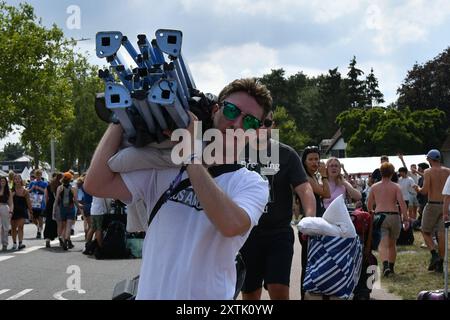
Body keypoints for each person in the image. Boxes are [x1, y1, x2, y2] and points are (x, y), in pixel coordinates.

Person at [84, 78, 270, 299]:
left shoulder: (251, 183)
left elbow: (231, 225)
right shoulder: (164, 165)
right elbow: (96, 183)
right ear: (215, 110)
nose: (237, 124)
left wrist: (190, 154)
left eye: (249, 122)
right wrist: (121, 115)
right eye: (231, 111)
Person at [239, 114, 316, 300]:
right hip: (247, 233)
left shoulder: (286, 154)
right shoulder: (237, 151)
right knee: (250, 293)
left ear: (272, 125)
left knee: (278, 289)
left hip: (278, 232)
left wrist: (310, 217)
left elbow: (304, 188)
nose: (262, 127)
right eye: (257, 122)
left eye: (267, 122)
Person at [298, 146, 330, 299]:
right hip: (308, 226)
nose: (314, 162)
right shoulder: (306, 178)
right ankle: (304, 295)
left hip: (314, 224)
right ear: (304, 161)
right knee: (307, 263)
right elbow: (326, 193)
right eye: (310, 159)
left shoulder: (312, 176)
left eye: (317, 159)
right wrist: (324, 176)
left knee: (313, 262)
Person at [367, 162, 408, 277]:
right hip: (394, 215)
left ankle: (385, 265)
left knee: (383, 243)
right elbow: (402, 203)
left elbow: (369, 204)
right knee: (392, 244)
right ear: (392, 173)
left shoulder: (374, 187)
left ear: (380, 173)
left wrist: (371, 214)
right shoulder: (396, 186)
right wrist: (406, 218)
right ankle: (391, 267)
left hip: (380, 216)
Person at [413, 149, 450, 273]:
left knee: (424, 230)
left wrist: (416, 188)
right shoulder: (448, 171)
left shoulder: (428, 171)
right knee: (441, 234)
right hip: (445, 205)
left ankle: (434, 255)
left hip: (432, 204)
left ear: (430, 159)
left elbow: (424, 191)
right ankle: (441, 262)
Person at [55, 172, 81, 251]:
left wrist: (54, 210)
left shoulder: (59, 188)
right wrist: (79, 207)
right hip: (71, 207)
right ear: (70, 179)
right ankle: (66, 240)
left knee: (64, 225)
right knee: (69, 225)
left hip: (62, 208)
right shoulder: (73, 188)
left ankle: (63, 240)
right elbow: (76, 201)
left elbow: (56, 200)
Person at [11, 174, 32, 250]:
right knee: (13, 228)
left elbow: (28, 202)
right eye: (15, 179)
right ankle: (14, 243)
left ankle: (20, 243)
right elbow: (9, 202)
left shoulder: (25, 191)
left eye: (18, 179)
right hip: (13, 211)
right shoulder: (11, 191)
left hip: (22, 210)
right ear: (13, 181)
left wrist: (31, 211)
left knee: (20, 227)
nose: (17, 180)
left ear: (21, 180)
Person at [43, 173, 62, 248]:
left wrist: (46, 206)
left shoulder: (49, 186)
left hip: (50, 205)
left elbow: (46, 197)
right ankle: (60, 238)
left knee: (49, 222)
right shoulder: (60, 186)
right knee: (59, 223)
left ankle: (47, 239)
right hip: (58, 205)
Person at [28, 169, 48, 239]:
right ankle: (38, 227)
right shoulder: (32, 183)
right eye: (37, 175)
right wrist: (32, 188)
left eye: (39, 175)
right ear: (35, 175)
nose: (38, 176)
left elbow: (46, 192)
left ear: (41, 175)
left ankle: (39, 231)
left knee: (40, 217)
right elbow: (28, 191)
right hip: (33, 202)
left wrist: (39, 188)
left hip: (41, 202)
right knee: (33, 218)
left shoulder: (44, 183)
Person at [0, 177, 13, 251]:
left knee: (5, 228)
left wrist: (11, 211)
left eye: (4, 181)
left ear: (6, 182)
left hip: (5, 207)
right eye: (1, 181)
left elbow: (11, 203)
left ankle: (5, 244)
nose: (2, 182)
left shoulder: (8, 191)